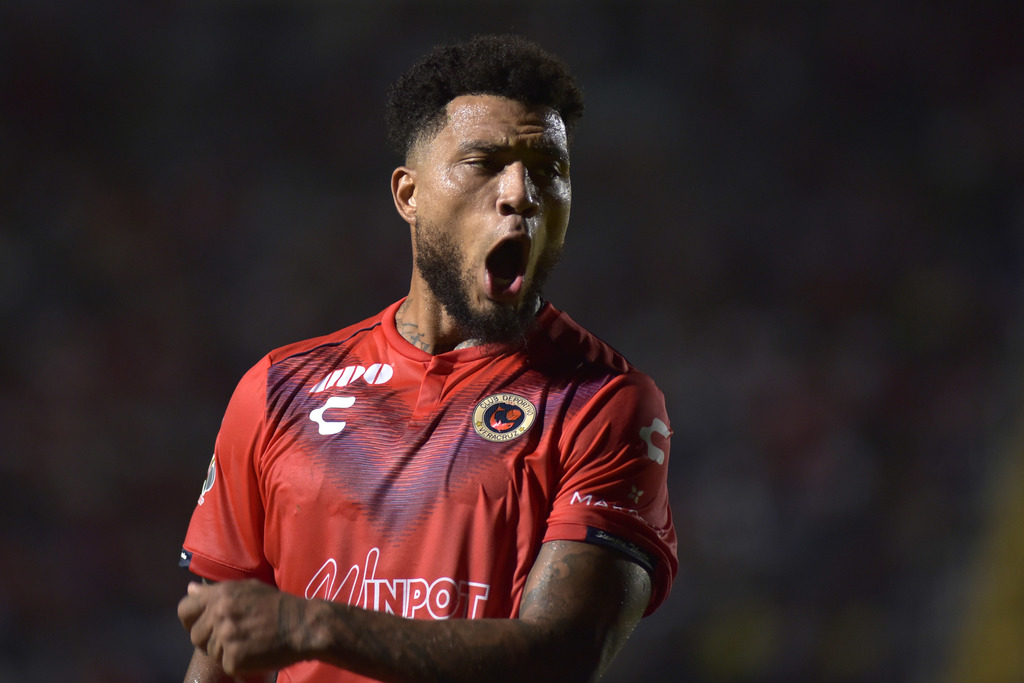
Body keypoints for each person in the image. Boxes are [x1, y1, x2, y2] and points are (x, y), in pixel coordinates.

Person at [177, 33, 677, 683]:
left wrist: (314, 626)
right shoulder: (280, 389)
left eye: (548, 168)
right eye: (485, 162)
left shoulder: (603, 401)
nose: (521, 192)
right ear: (408, 195)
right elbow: (224, 647)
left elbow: (563, 656)